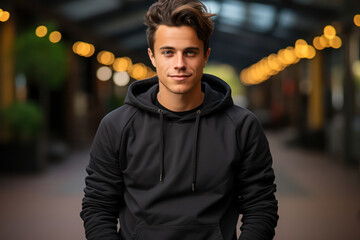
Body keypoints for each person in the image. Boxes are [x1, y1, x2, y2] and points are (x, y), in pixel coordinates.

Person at [80, 0, 278, 239]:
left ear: (205, 56)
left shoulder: (242, 126)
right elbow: (98, 206)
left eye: (190, 52)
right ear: (152, 57)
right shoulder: (117, 126)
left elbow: (261, 206)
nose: (179, 64)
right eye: (168, 52)